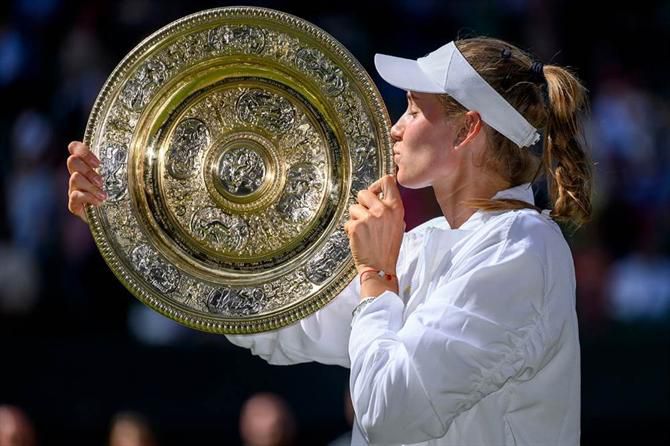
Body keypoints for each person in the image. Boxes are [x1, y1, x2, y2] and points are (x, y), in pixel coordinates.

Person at [66, 36, 592, 445]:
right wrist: (130, 210)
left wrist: (376, 277)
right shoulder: (431, 243)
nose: (394, 127)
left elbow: (391, 411)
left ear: (465, 130)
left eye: (412, 108)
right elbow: (280, 317)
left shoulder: (520, 248)